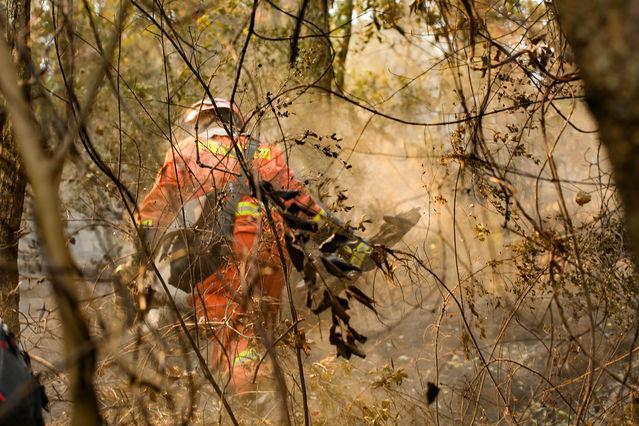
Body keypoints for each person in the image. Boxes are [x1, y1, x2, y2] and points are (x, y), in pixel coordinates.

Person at [135, 97, 341, 393]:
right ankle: (275, 396)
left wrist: (138, 256)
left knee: (232, 330)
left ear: (203, 121)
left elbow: (155, 210)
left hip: (225, 248)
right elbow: (302, 205)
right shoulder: (265, 152)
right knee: (259, 326)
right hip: (272, 248)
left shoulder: (187, 151)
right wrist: (341, 238)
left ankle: (249, 402)